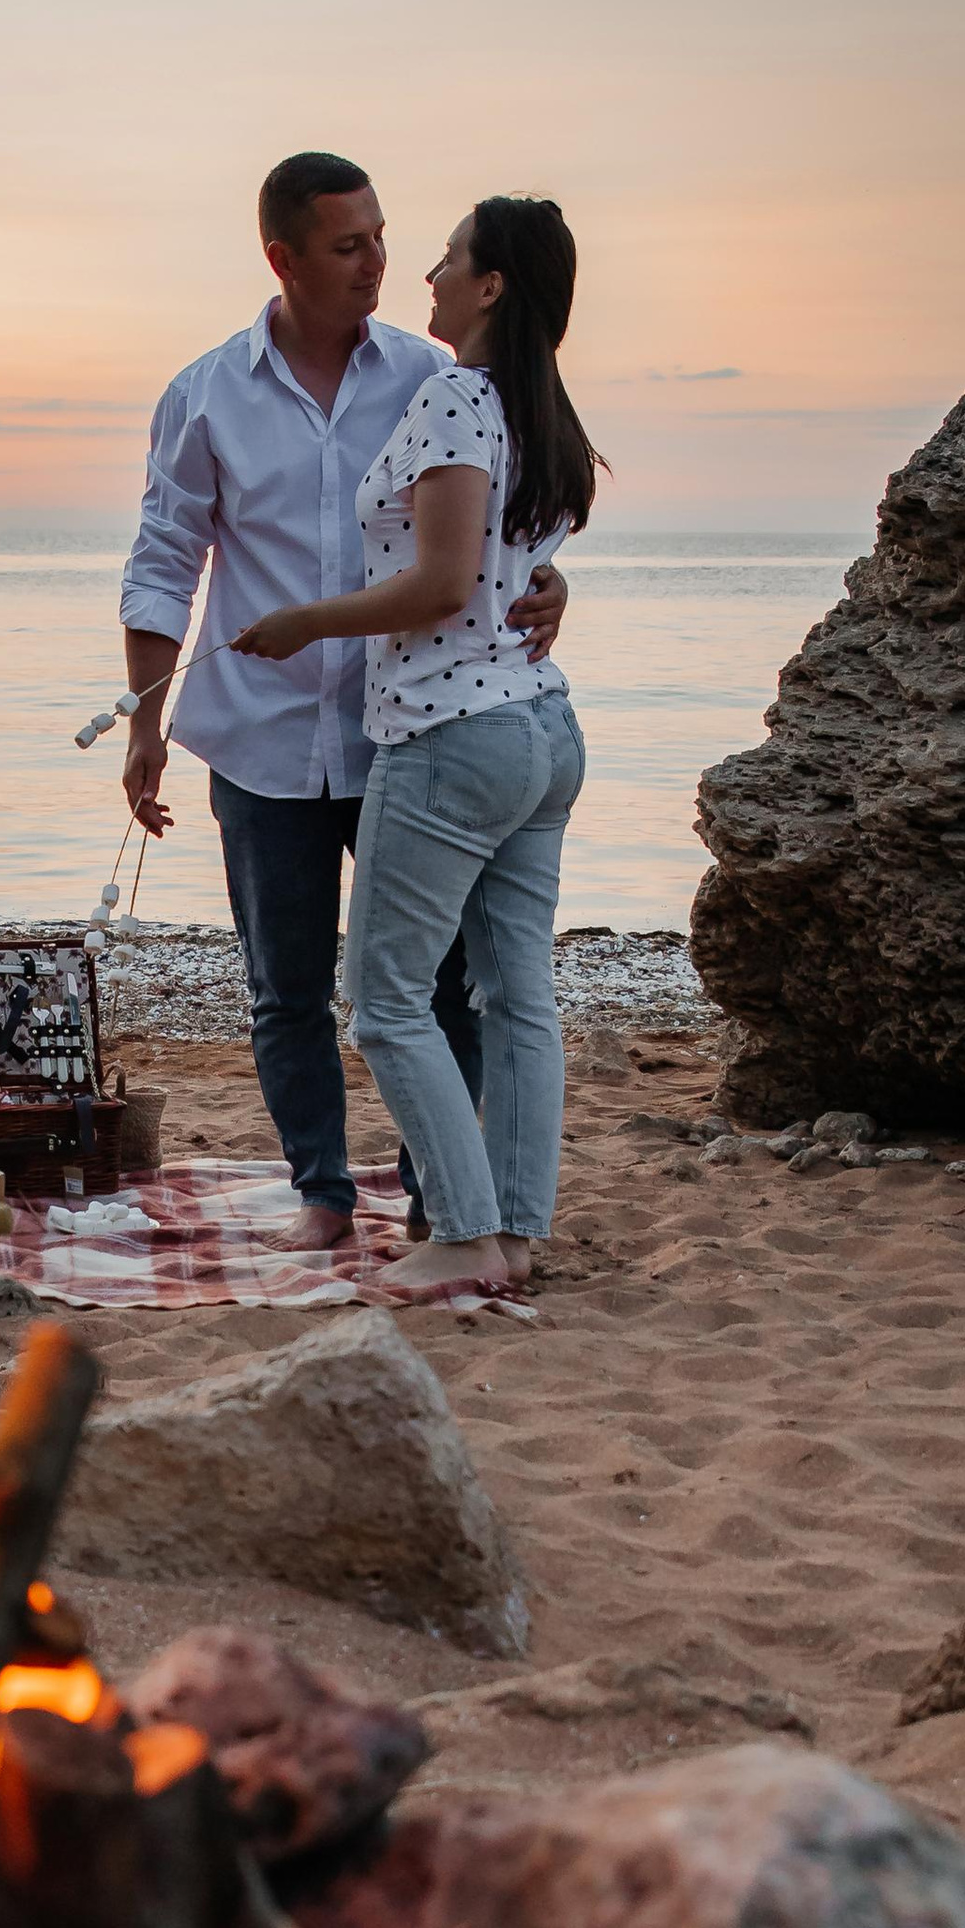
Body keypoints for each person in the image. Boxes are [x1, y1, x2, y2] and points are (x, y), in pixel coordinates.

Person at [119, 155, 567, 1248]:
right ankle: (319, 1193)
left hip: (409, 735)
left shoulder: (434, 374)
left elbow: (496, 517)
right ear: (283, 258)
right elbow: (164, 559)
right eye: (347, 245)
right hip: (260, 738)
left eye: (381, 237)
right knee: (285, 990)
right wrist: (143, 724)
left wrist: (549, 579)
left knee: (440, 990)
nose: (378, 263)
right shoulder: (207, 392)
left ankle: (437, 1199)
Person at [229, 196, 598, 1306]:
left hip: (452, 738)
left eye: (445, 260)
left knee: (386, 996)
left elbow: (441, 587)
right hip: (541, 727)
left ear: (489, 288)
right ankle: (513, 1237)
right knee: (515, 992)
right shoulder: (542, 409)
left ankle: (467, 1230)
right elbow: (504, 572)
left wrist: (305, 621)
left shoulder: (454, 396)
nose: (422, 275)